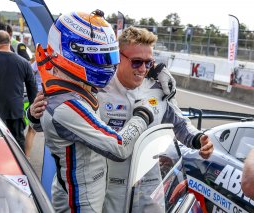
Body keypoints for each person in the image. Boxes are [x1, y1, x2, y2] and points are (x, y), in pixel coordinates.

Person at [27, 10, 154, 212]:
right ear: (73, 54)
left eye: (107, 57)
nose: (105, 64)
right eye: (96, 57)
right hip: (79, 203)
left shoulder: (73, 87)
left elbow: (43, 124)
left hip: (87, 193)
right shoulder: (68, 103)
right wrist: (143, 115)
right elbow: (118, 147)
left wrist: (33, 116)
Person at [97, 26, 213, 212]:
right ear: (118, 56)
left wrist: (200, 139)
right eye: (136, 62)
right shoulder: (99, 89)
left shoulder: (159, 89)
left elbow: (181, 125)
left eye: (149, 63)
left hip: (149, 184)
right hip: (110, 187)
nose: (143, 69)